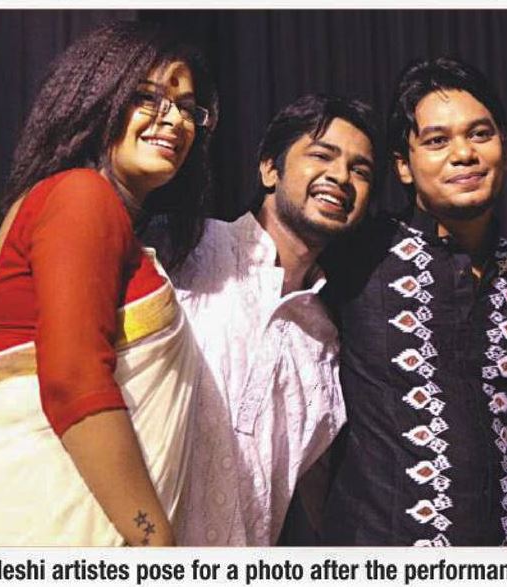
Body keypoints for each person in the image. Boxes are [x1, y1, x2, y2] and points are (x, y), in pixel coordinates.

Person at [0, 21, 218, 546]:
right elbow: (74, 382)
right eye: (147, 98)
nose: (174, 120)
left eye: (187, 108)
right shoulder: (82, 197)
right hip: (32, 526)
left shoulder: (71, 205)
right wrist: (154, 543)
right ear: (99, 97)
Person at [319, 57, 507, 546]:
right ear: (403, 165)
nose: (464, 154)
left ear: (506, 150)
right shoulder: (355, 257)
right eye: (437, 141)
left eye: (480, 134)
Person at [159, 94, 376, 546]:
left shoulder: (326, 341)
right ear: (269, 170)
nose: (341, 177)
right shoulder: (185, 250)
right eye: (322, 155)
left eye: (360, 170)